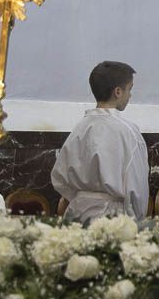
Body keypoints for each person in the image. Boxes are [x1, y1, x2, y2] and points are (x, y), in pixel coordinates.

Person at [51, 61, 149, 224]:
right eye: (129, 89)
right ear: (118, 92)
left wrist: (83, 199)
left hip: (77, 214)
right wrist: (137, 219)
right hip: (112, 218)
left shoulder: (79, 128)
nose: (130, 95)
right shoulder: (127, 131)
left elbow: (59, 177)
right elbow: (137, 186)